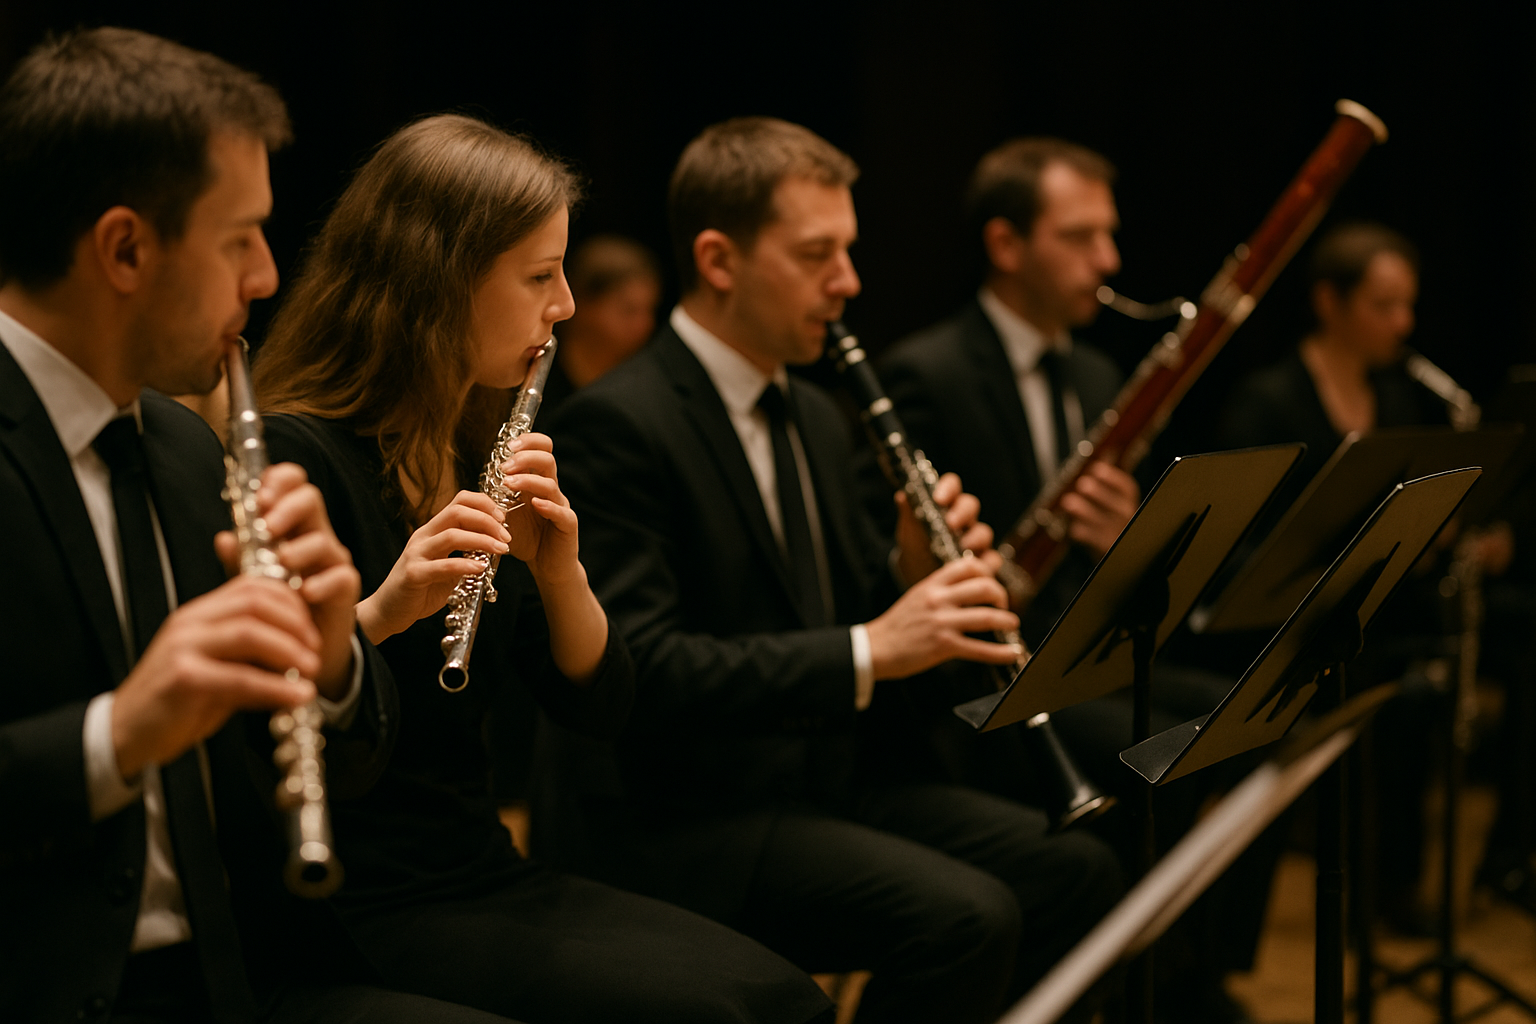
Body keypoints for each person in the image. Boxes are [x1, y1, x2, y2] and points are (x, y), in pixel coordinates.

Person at [250, 112, 834, 1024]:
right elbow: (254, 728)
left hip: (481, 870)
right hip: (353, 900)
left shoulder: (474, 445)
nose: (563, 305)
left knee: (783, 999)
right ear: (441, 280)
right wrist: (387, 609)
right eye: (538, 276)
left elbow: (598, 707)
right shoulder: (296, 455)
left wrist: (561, 574)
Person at [544, 116, 1122, 1024]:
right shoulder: (620, 423)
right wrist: (871, 648)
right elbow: (644, 667)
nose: (848, 282)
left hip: (823, 782)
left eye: (848, 252)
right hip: (687, 811)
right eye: (818, 255)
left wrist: (910, 573)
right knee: (965, 919)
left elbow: (856, 618)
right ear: (719, 260)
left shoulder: (818, 415)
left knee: (1076, 870)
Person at [0, 27, 513, 1024]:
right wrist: (120, 733)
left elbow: (344, 767)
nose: (268, 276)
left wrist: (334, 658)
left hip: (242, 971)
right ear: (124, 248)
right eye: (240, 239)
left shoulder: (187, 450)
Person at [879, 137, 1267, 1023]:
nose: (1109, 262)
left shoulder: (1096, 372)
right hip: (983, 679)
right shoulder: (926, 373)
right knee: (1170, 745)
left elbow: (1125, 578)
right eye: (1080, 237)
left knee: (1244, 718)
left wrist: (1129, 538)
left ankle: (1182, 977)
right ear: (1006, 244)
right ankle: (1139, 984)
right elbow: (900, 560)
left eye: (1109, 235)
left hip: (1081, 656)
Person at [1221, 222, 1458, 935]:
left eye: (1408, 305)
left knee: (1416, 686)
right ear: (1329, 301)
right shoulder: (1268, 401)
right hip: (1284, 628)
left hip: (1373, 618)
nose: (1403, 324)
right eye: (1383, 305)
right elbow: (1239, 547)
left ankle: (1390, 887)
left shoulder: (1400, 397)